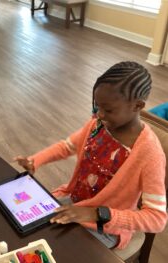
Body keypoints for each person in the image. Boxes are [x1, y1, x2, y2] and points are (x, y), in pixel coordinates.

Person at [15, 61, 167, 249]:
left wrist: (97, 213)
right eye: (97, 107)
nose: (100, 115)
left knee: (56, 248)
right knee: (25, 227)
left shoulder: (149, 153)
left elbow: (157, 218)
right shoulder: (97, 125)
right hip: (75, 203)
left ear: (137, 106)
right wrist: (35, 160)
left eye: (109, 110)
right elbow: (67, 146)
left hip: (107, 226)